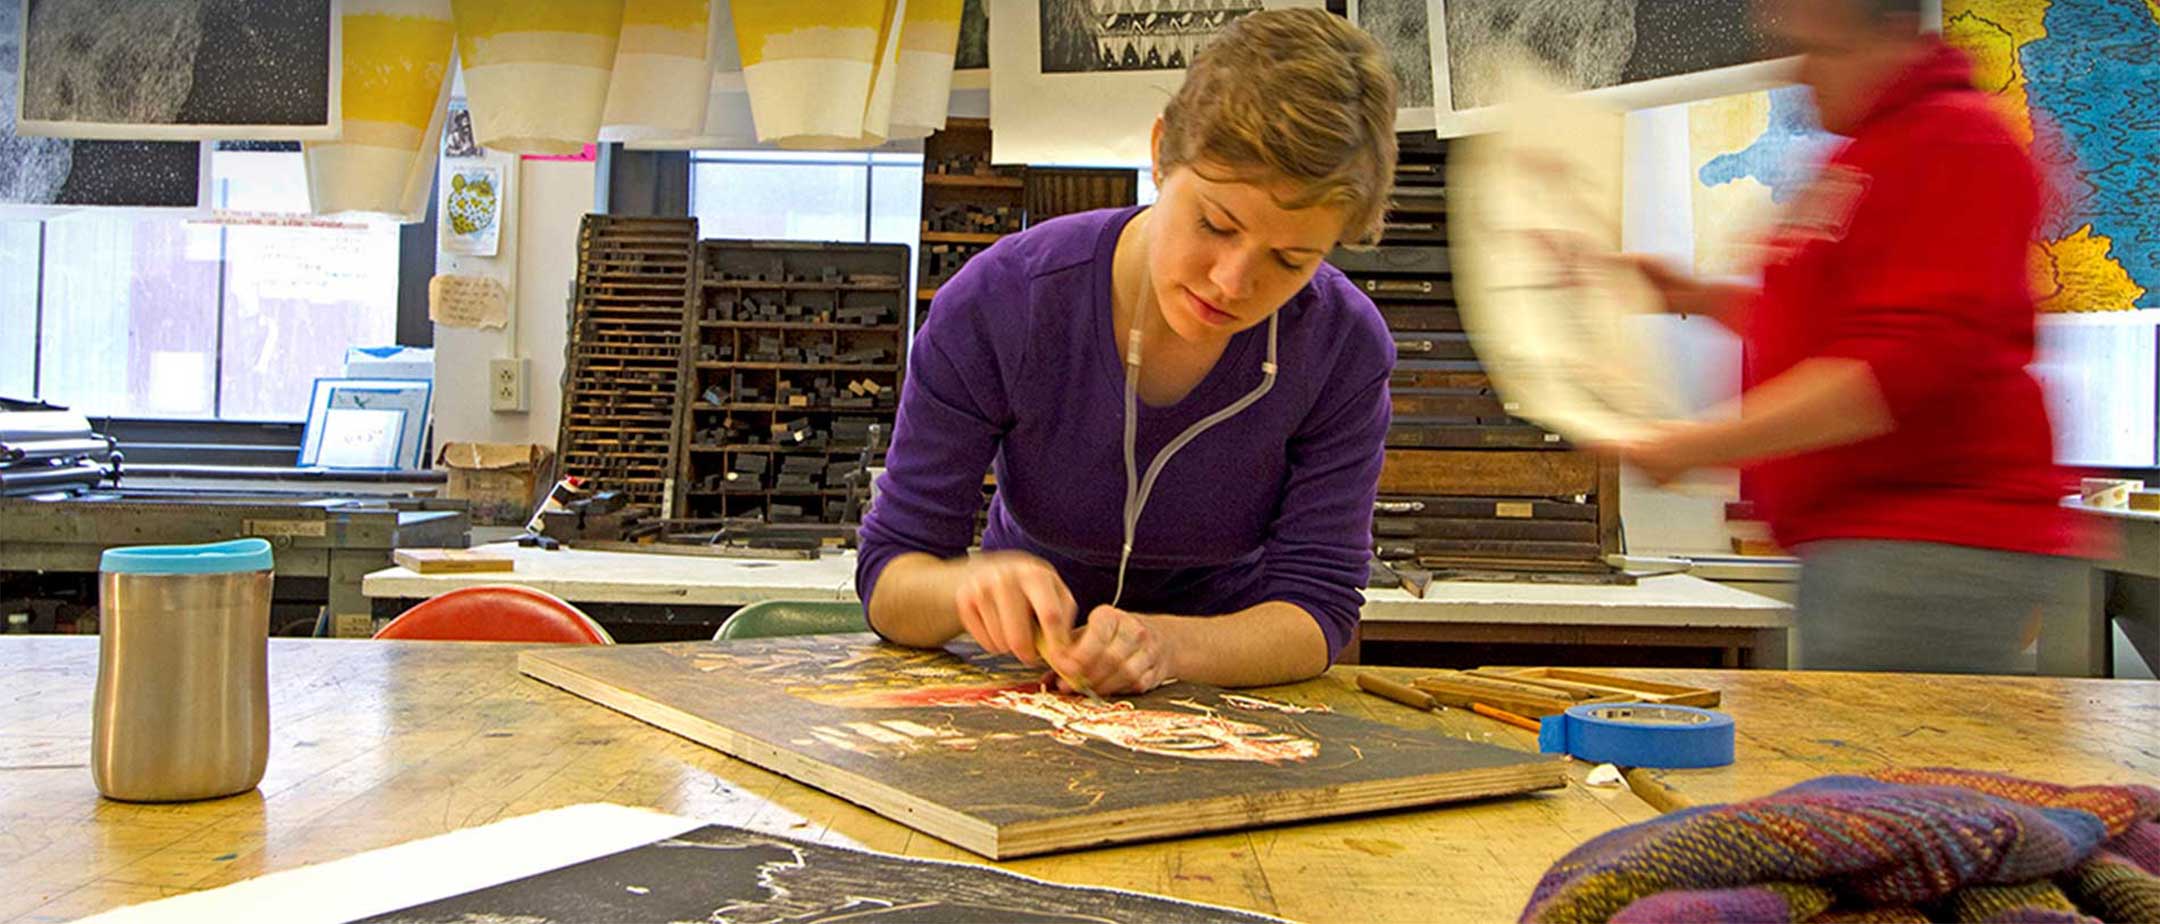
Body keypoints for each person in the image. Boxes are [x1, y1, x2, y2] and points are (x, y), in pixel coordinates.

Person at [855, 9, 1398, 696]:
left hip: (1225, 692)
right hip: (1019, 688)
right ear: (1162, 151)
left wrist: (1165, 647)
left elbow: (1317, 611)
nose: (1232, 282)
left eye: (1290, 260)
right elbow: (888, 577)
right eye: (1215, 223)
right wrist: (965, 588)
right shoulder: (1003, 304)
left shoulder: (1340, 346)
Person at [1612, 0, 2086, 673]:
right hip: (1862, 542)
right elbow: (1829, 328)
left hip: (1929, 548)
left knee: (1892, 772)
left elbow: (1895, 367)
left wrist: (1695, 443)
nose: (1803, 73)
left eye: (1823, 51)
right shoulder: (1872, 153)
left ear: (1891, 35)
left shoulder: (1954, 143)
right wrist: (1695, 296)